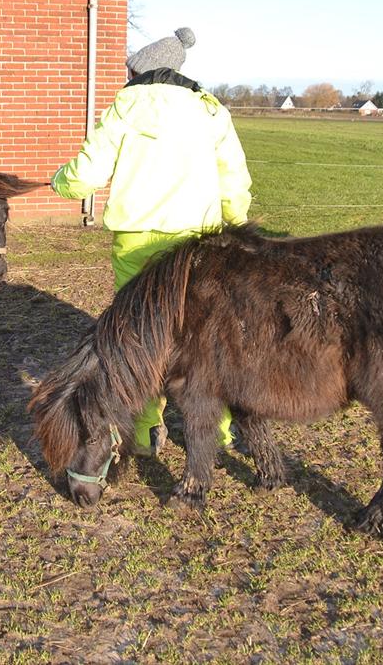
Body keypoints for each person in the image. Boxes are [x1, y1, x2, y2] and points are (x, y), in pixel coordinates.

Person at [51, 27, 252, 456]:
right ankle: (218, 431)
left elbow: (86, 175)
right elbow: (233, 178)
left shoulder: (126, 105)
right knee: (203, 334)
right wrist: (235, 219)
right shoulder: (211, 110)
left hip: (136, 242)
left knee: (140, 336)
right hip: (196, 245)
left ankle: (146, 430)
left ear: (141, 69)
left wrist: (60, 182)